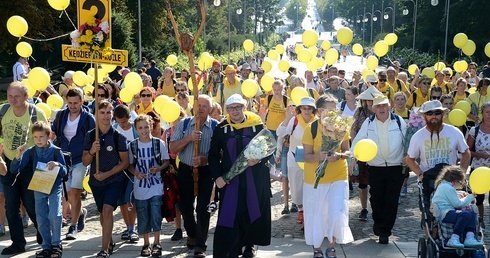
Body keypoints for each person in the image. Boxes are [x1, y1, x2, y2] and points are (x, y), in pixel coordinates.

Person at [209, 94, 271, 257]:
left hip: (253, 179)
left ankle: (249, 245)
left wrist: (258, 159)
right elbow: (213, 155)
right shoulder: (221, 128)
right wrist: (218, 177)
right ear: (227, 110)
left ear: (244, 107)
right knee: (231, 214)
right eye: (231, 108)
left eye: (237, 107)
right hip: (230, 181)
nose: (234, 111)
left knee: (251, 211)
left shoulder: (256, 126)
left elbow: (269, 149)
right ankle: (232, 248)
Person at [0, 81, 48, 255]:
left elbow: (47, 140)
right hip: (8, 165)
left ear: (26, 97)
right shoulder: (3, 111)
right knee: (11, 207)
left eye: (17, 96)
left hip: (30, 166)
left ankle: (44, 236)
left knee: (33, 205)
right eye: (10, 95)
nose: (12, 99)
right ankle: (17, 243)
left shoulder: (36, 113)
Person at [303, 94, 354, 257]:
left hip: (338, 175)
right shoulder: (310, 128)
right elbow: (306, 156)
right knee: (316, 213)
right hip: (315, 179)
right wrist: (320, 156)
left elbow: (347, 151)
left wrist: (338, 155)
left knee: (336, 211)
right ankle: (317, 248)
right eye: (330, 109)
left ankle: (331, 247)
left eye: (336, 109)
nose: (334, 113)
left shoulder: (341, 127)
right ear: (319, 111)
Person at [351, 95, 407, 244]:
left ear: (389, 106)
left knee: (391, 200)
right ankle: (378, 222)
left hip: (396, 168)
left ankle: (385, 231)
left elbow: (407, 141)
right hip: (375, 168)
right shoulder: (368, 123)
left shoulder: (399, 122)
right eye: (378, 106)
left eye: (384, 105)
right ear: (373, 108)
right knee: (376, 199)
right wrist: (352, 157)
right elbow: (358, 141)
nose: (382, 108)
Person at [169, 95, 218, 258]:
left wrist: (205, 159)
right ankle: (192, 233)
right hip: (185, 169)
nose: (201, 108)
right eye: (199, 105)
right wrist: (189, 138)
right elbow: (173, 147)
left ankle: (200, 245)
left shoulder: (215, 127)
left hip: (206, 171)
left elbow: (220, 153)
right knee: (185, 207)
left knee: (203, 208)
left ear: (210, 109)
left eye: (205, 106)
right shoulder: (184, 124)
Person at [11, 121, 67, 258]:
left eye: (41, 137)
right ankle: (46, 246)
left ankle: (56, 244)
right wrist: (17, 156)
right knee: (41, 217)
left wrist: (57, 164)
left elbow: (65, 172)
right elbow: (14, 169)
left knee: (55, 214)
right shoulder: (31, 152)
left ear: (49, 136)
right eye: (35, 137)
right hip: (39, 187)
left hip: (54, 187)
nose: (38, 140)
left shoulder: (56, 151)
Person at [82, 100, 130, 258]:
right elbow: (85, 161)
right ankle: (108, 241)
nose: (105, 116)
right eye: (102, 113)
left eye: (108, 112)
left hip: (114, 180)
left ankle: (104, 250)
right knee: (103, 213)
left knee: (108, 210)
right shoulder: (90, 135)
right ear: (96, 114)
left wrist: (107, 174)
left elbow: (125, 162)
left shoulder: (118, 137)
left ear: (113, 115)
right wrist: (91, 151)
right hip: (96, 182)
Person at [51, 88, 95, 240]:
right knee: (68, 194)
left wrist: (89, 155)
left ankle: (73, 226)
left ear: (82, 102)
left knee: (75, 192)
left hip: (80, 160)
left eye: (76, 103)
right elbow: (55, 131)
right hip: (64, 159)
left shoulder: (88, 118)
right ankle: (81, 212)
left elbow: (94, 137)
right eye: (69, 103)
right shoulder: (62, 115)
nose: (72, 106)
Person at [128, 115, 170, 257]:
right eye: (140, 128)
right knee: (143, 213)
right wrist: (136, 173)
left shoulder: (159, 143)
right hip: (140, 186)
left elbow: (166, 161)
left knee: (156, 213)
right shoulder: (133, 145)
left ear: (151, 126)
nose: (144, 130)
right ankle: (146, 243)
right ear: (136, 129)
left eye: (146, 127)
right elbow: (129, 165)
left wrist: (158, 168)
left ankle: (157, 242)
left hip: (156, 184)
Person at [406, 100, 470, 188]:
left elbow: (466, 153)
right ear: (424, 116)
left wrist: (461, 173)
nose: (434, 116)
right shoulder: (418, 136)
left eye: (437, 113)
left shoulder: (454, 132)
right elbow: (410, 159)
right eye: (429, 113)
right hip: (428, 182)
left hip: (451, 182)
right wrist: (420, 174)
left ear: (442, 114)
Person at [277, 97, 318, 228]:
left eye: (309, 108)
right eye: (304, 108)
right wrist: (287, 118)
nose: (306, 110)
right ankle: (300, 209)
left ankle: (309, 213)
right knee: (296, 186)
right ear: (300, 109)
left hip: (311, 159)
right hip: (295, 157)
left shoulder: (317, 122)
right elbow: (280, 132)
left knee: (311, 186)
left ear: (313, 110)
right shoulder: (294, 121)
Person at [350, 86, 383, 221]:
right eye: (368, 100)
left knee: (376, 181)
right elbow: (353, 130)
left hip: (378, 151)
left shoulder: (382, 111)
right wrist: (354, 148)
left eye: (372, 99)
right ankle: (364, 208)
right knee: (363, 183)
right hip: (363, 150)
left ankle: (377, 207)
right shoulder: (360, 112)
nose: (370, 102)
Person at [431, 165, 482, 248]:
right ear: (455, 180)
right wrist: (470, 196)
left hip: (448, 211)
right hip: (444, 213)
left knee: (471, 213)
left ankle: (470, 237)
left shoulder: (445, 186)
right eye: (460, 182)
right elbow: (458, 204)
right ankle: (454, 238)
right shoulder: (447, 188)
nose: (460, 185)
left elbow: (453, 200)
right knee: (466, 214)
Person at [113, 105, 139, 243]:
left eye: (124, 122)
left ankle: (132, 227)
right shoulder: (114, 129)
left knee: (130, 198)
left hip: (133, 167)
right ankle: (128, 226)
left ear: (129, 118)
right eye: (119, 122)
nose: (122, 125)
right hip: (118, 168)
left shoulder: (135, 128)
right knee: (122, 199)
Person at [466, 102, 490, 228]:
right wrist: (480, 155)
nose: (489, 115)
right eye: (487, 112)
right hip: (478, 170)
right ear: (482, 113)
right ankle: (480, 220)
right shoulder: (474, 131)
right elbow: (467, 151)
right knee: (478, 198)